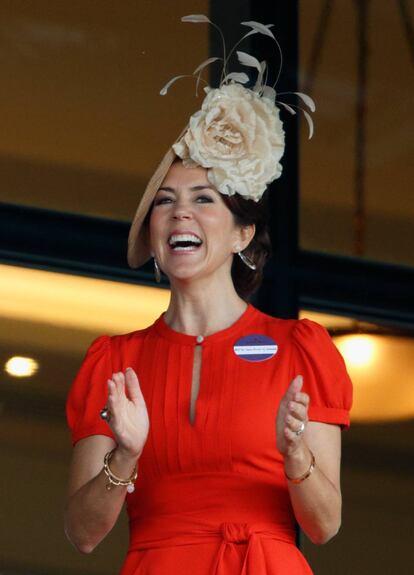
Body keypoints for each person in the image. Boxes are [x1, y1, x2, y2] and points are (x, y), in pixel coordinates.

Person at [64, 15, 353, 575]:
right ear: (153, 231)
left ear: (243, 233)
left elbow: (325, 525)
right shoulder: (114, 362)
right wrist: (125, 455)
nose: (180, 214)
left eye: (203, 199)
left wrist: (297, 457)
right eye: (165, 202)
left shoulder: (300, 350)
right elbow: (82, 534)